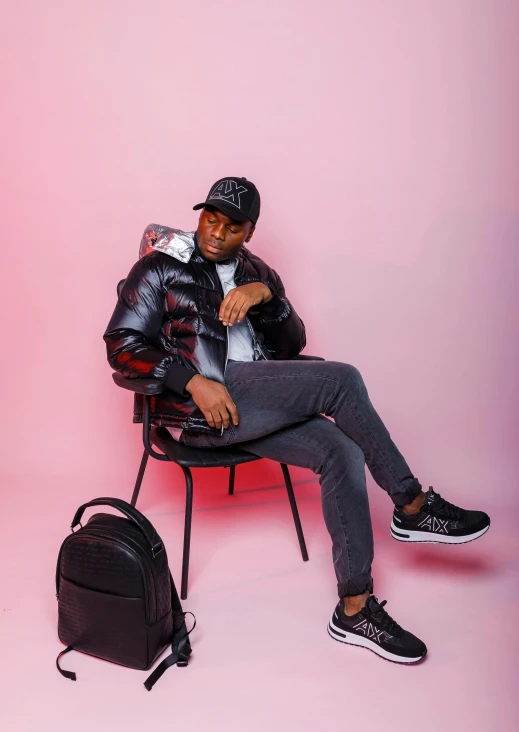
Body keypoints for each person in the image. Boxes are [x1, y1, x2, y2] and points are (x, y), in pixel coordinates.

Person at [104, 176, 490, 664]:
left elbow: (290, 348)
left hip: (258, 402)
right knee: (342, 379)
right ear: (200, 214)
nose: (217, 233)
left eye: (233, 226)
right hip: (202, 411)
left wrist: (268, 298)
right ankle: (412, 505)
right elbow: (121, 345)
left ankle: (355, 609)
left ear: (250, 232)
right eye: (210, 218)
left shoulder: (257, 271)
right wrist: (190, 381)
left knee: (341, 451)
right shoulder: (160, 268)